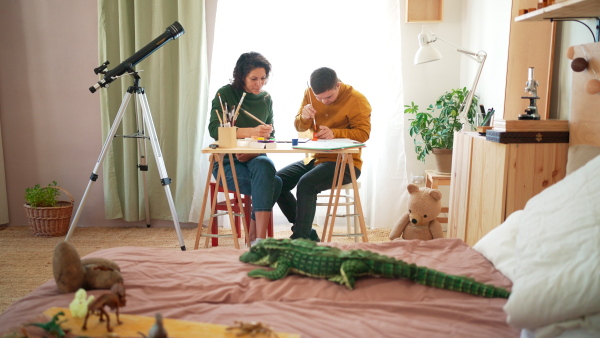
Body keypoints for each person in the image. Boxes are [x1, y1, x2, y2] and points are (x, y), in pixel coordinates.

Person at [276, 67, 371, 241]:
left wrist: (336, 133)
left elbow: (364, 134)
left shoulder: (356, 99)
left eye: (328, 97)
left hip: (346, 164)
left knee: (306, 184)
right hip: (317, 159)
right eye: (319, 97)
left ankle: (300, 240)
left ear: (338, 85)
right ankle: (307, 232)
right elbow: (299, 126)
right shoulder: (310, 94)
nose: (324, 101)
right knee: (277, 182)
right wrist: (303, 117)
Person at [208, 52, 281, 246]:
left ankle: (257, 239)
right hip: (228, 162)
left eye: (263, 78)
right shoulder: (225, 94)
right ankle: (257, 240)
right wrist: (251, 131)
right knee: (276, 184)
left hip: (256, 159)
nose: (260, 84)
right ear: (242, 76)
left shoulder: (266, 99)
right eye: (254, 79)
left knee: (265, 165)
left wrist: (256, 148)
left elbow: (271, 136)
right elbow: (215, 130)